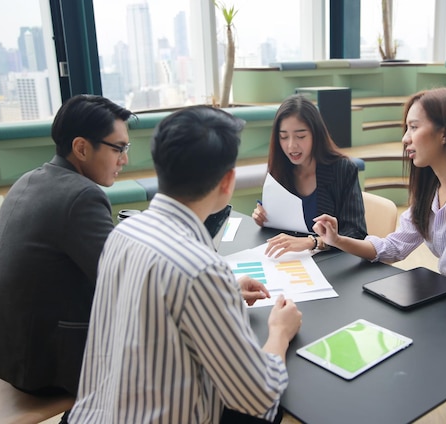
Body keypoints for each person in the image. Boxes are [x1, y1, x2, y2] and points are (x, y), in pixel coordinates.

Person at [69, 106, 302, 424]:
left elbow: (150, 303)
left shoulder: (124, 231)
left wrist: (224, 293)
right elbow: (257, 397)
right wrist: (280, 333)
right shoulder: (202, 269)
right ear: (227, 181)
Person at [0, 94, 134, 398]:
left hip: (5, 350)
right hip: (43, 364)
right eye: (118, 148)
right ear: (81, 148)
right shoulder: (82, 196)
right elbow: (124, 281)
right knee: (165, 340)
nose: (124, 159)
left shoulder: (29, 179)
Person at [313, 87, 446, 309]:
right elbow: (393, 247)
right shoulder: (430, 194)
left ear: (445, 133)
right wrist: (337, 240)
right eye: (407, 128)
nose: (405, 138)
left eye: (414, 127)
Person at [252, 94, 367, 258]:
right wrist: (262, 217)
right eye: (283, 137)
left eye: (300, 136)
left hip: (331, 262)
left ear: (316, 134)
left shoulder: (343, 169)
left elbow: (356, 232)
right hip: (290, 260)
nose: (291, 145)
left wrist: (313, 241)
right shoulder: (279, 167)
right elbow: (279, 222)